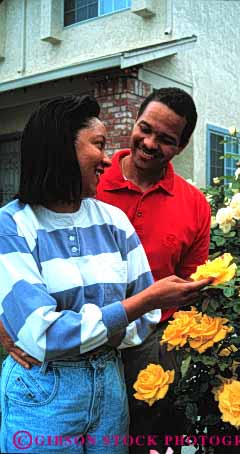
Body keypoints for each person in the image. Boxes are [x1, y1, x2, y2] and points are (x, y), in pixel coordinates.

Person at [0, 95, 210, 454]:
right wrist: (16, 319)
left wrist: (74, 331)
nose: (107, 157)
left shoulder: (115, 218)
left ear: (182, 145)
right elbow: (42, 335)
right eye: (98, 145)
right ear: (59, 149)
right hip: (47, 386)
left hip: (119, 377)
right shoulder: (15, 222)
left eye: (166, 138)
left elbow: (152, 314)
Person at [96, 88, 211, 453]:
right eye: (144, 129)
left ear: (182, 145)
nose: (148, 143)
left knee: (145, 438)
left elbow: (190, 285)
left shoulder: (194, 204)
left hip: (153, 345)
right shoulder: (89, 180)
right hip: (88, 332)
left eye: (165, 139)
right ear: (135, 119)